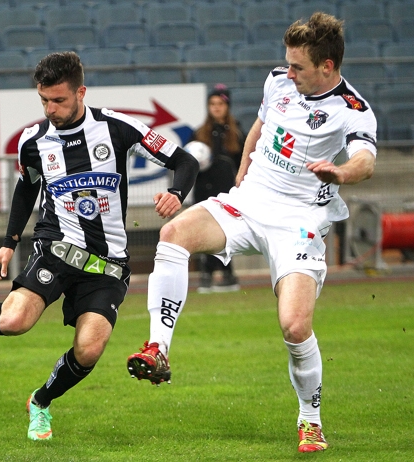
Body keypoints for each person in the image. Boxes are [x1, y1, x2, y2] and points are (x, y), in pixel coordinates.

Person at [0, 52, 199, 441]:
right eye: (44, 100)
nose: (51, 109)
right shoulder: (33, 141)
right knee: (15, 321)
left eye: (59, 100)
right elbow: (27, 186)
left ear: (81, 92)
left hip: (108, 264)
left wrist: (177, 192)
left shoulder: (119, 127)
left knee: (90, 349)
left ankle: (41, 402)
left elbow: (184, 160)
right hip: (56, 248)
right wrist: (8, 244)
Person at [127, 13, 376, 453]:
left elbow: (365, 161)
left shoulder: (351, 109)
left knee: (295, 326)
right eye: (288, 63)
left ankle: (311, 421)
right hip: (250, 201)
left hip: (299, 220)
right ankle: (158, 348)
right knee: (173, 235)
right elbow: (260, 127)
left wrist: (338, 171)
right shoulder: (278, 80)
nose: (289, 72)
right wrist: (241, 175)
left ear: (328, 67)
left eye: (299, 66)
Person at [189, 84, 245, 293]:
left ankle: (228, 274)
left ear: (227, 106)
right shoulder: (198, 134)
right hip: (203, 191)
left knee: (225, 234)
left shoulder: (237, 133)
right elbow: (188, 163)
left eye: (220, 104)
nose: (216, 108)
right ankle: (207, 274)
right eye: (212, 104)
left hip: (227, 192)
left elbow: (244, 163)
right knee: (204, 233)